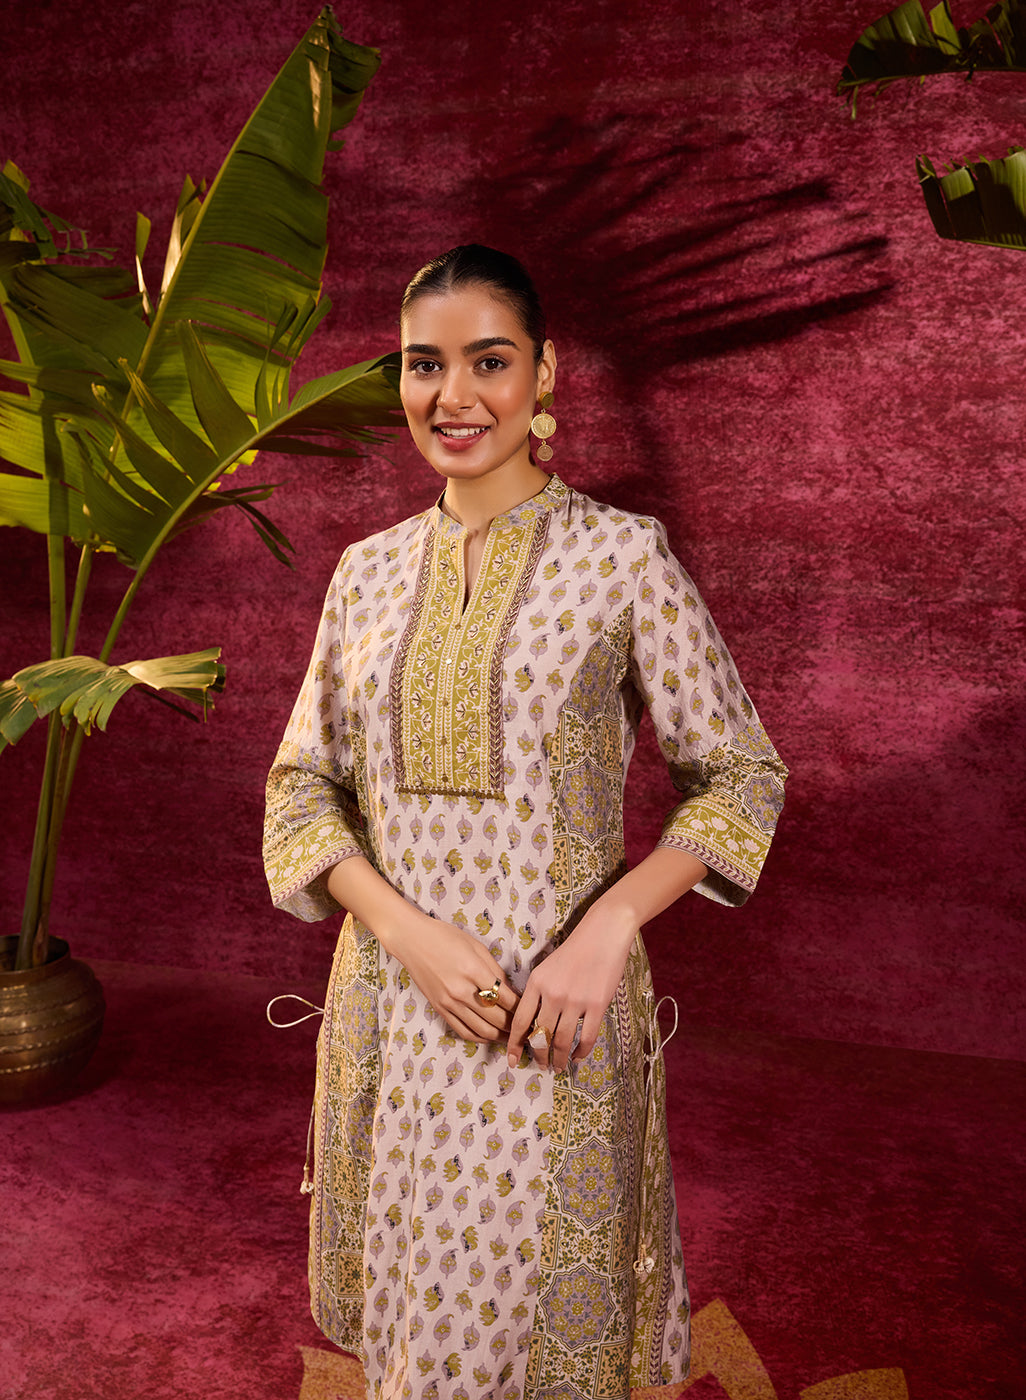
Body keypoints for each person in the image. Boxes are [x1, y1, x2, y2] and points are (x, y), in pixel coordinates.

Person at [263, 245, 787, 1400]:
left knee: (539, 1344)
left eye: (488, 361)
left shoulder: (623, 558)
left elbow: (742, 775)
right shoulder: (364, 574)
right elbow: (300, 788)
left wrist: (609, 928)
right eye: (425, 365)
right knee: (414, 1342)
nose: (454, 396)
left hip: (554, 1023)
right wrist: (406, 931)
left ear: (544, 374)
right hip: (396, 1016)